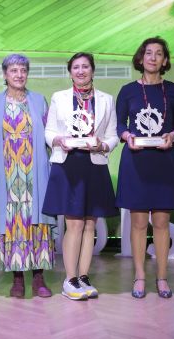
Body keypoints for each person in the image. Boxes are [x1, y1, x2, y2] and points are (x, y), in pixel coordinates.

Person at [43, 52, 119, 300]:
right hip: (68, 163)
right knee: (74, 223)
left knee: (90, 224)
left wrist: (103, 145)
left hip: (94, 163)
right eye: (76, 67)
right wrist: (59, 140)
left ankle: (84, 277)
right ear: (70, 72)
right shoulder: (59, 97)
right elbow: (49, 131)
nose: (81, 71)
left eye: (85, 66)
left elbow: (113, 135)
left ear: (92, 70)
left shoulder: (106, 99)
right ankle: (70, 279)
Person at [116, 37, 174, 299]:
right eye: (148, 53)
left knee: (161, 221)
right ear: (141, 58)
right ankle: (139, 277)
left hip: (165, 161)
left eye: (159, 53)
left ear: (165, 60)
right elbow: (119, 125)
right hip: (136, 161)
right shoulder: (127, 90)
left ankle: (162, 278)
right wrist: (127, 136)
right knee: (137, 222)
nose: (153, 58)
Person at [0, 54, 55, 298]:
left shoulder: (39, 100)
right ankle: (17, 278)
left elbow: (49, 137)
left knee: (37, 224)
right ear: (5, 74)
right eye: (13, 70)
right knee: (11, 225)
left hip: (34, 174)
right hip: (5, 175)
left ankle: (39, 277)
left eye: (23, 70)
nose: (19, 74)